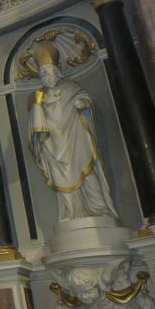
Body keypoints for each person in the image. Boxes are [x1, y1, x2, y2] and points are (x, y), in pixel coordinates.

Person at [27, 40, 119, 223]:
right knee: (60, 179)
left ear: (58, 71)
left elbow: (85, 100)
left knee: (87, 172)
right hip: (53, 145)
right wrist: (37, 105)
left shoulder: (71, 87)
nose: (48, 76)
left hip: (75, 137)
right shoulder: (37, 97)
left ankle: (99, 207)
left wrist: (83, 104)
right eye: (44, 73)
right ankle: (70, 214)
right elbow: (34, 127)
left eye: (51, 71)